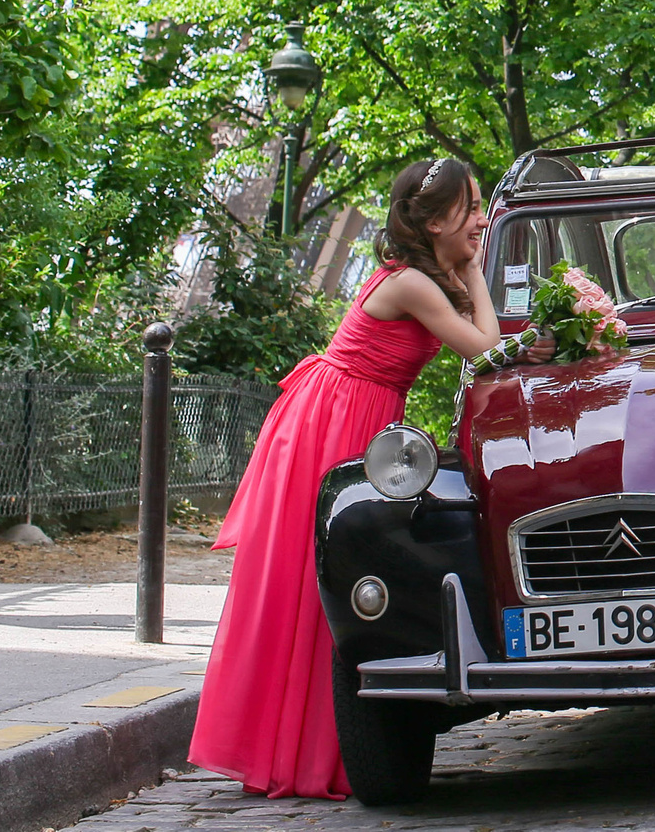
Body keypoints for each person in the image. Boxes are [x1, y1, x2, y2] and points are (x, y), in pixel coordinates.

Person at [190, 157, 534, 799]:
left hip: (360, 410)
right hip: (336, 414)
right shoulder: (412, 285)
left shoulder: (424, 279)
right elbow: (486, 348)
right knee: (311, 581)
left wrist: (467, 268)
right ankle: (295, 753)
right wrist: (477, 271)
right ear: (433, 222)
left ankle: (323, 749)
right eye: (472, 209)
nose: (483, 219)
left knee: (330, 583)